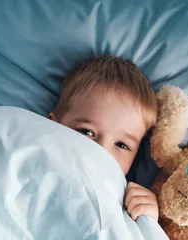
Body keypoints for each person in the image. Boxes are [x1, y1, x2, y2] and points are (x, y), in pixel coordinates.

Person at [49, 55, 159, 221]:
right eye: (87, 132)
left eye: (122, 145)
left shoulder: (127, 200)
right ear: (51, 125)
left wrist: (148, 217)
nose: (101, 152)